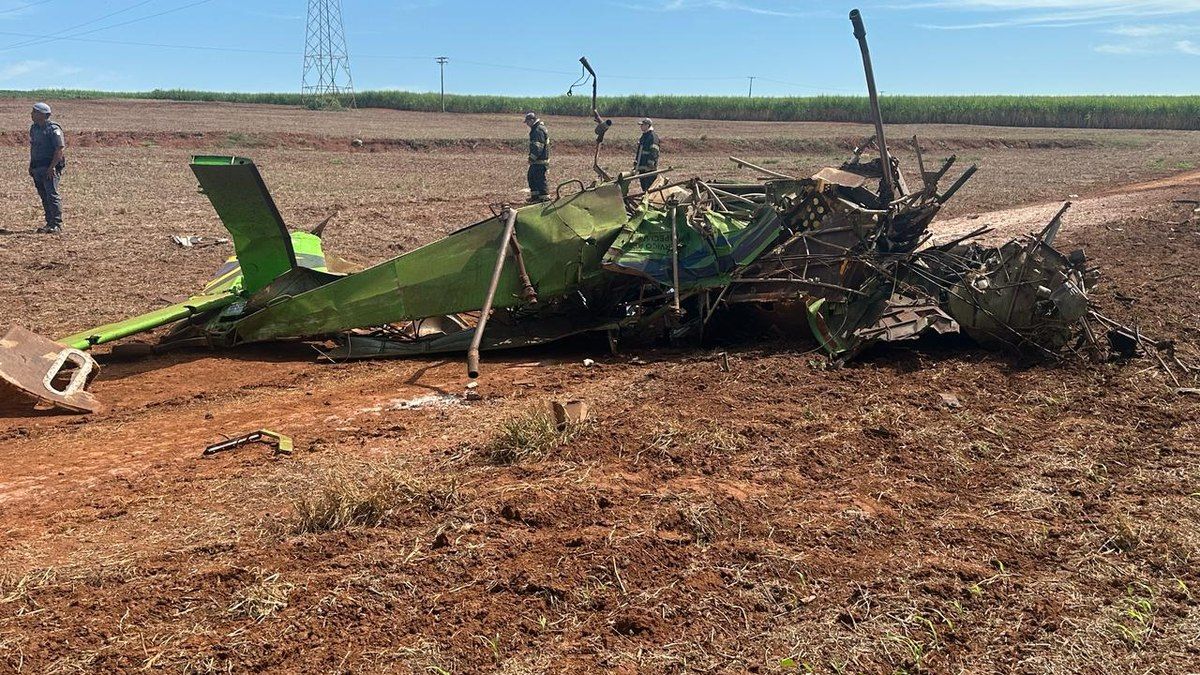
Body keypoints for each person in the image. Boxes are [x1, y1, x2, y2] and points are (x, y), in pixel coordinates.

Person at [29, 102, 65, 233]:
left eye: (35, 111)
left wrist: (52, 167)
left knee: (52, 195)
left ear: (43, 115)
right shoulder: (34, 128)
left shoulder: (53, 129)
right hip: (37, 167)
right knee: (44, 196)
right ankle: (49, 223)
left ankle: (56, 224)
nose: (32, 114)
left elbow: (59, 149)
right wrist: (31, 166)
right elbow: (34, 148)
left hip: (49, 167)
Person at [524, 112, 550, 202]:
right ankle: (535, 197)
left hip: (540, 161)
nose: (527, 124)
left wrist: (532, 158)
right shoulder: (536, 129)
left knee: (539, 179)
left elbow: (538, 147)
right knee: (531, 177)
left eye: (527, 122)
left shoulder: (538, 130)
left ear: (532, 120)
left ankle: (544, 198)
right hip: (537, 161)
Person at [633, 117, 660, 191]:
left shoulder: (652, 136)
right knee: (644, 188)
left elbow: (654, 150)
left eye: (643, 125)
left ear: (648, 126)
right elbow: (640, 150)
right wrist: (636, 162)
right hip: (642, 167)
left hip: (649, 169)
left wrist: (651, 163)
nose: (641, 126)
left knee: (649, 188)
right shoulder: (644, 136)